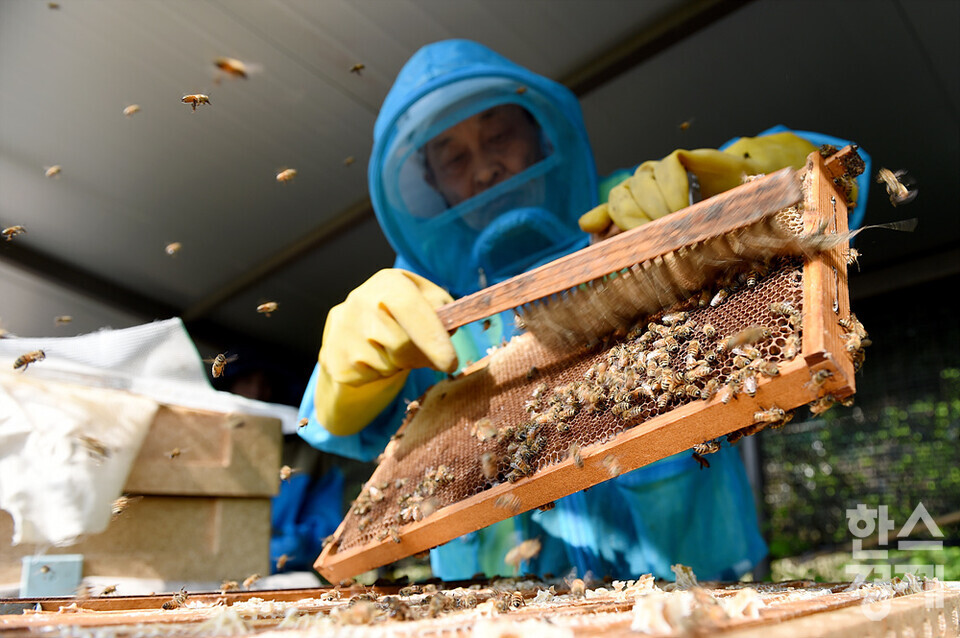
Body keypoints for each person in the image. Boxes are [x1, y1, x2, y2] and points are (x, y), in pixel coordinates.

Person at [298, 39, 870, 581]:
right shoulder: (413, 296)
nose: (484, 169)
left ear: (543, 137)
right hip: (499, 612)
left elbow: (839, 174)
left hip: (687, 584)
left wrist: (735, 182)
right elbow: (333, 421)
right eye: (453, 159)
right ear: (430, 185)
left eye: (498, 136)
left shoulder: (629, 209)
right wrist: (345, 377)